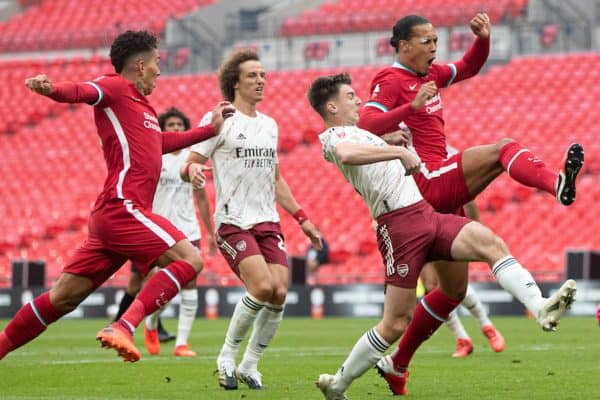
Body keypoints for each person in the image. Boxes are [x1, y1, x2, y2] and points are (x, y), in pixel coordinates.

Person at [307, 72, 576, 399]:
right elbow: (349, 155)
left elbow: (365, 146)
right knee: (395, 323)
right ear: (331, 106)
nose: (359, 100)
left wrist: (389, 142)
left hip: (424, 213)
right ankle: (339, 384)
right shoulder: (333, 136)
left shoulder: (360, 133)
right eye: (351, 96)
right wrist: (397, 152)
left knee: (489, 242)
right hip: (399, 227)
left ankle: (541, 306)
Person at [0, 30, 234, 362]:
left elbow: (160, 144)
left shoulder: (145, 110)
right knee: (190, 260)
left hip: (112, 215)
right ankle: (124, 326)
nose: (158, 70)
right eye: (155, 62)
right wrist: (52, 90)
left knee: (62, 298)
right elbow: (84, 91)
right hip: (125, 206)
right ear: (139, 66)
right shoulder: (114, 87)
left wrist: (210, 129)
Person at [183, 49, 322, 390]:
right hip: (233, 221)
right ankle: (226, 358)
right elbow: (189, 162)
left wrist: (301, 218)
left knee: (278, 293)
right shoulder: (220, 118)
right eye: (252, 76)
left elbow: (275, 178)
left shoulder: (269, 125)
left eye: (262, 75)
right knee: (261, 286)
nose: (260, 81)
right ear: (234, 82)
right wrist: (195, 172)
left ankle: (250, 364)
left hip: (267, 220)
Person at [357, 13, 584, 213]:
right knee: (504, 148)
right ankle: (556, 185)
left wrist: (483, 39)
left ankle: (558, 186)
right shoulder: (391, 80)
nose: (434, 47)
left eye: (435, 40)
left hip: (437, 175)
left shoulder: (431, 73)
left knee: (479, 250)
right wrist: (412, 106)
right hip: (427, 179)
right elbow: (366, 124)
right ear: (405, 46)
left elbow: (468, 66)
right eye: (426, 41)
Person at [139, 107, 219, 357]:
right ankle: (151, 323)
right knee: (167, 285)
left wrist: (210, 232)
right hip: (161, 228)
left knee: (191, 282)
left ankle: (181, 343)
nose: (175, 129)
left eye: (179, 125)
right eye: (171, 125)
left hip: (187, 228)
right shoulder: (156, 157)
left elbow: (202, 198)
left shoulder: (192, 160)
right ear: (163, 129)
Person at [113, 265, 175, 343]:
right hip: (143, 254)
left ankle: (116, 325)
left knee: (137, 286)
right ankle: (155, 328)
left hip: (147, 254)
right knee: (139, 285)